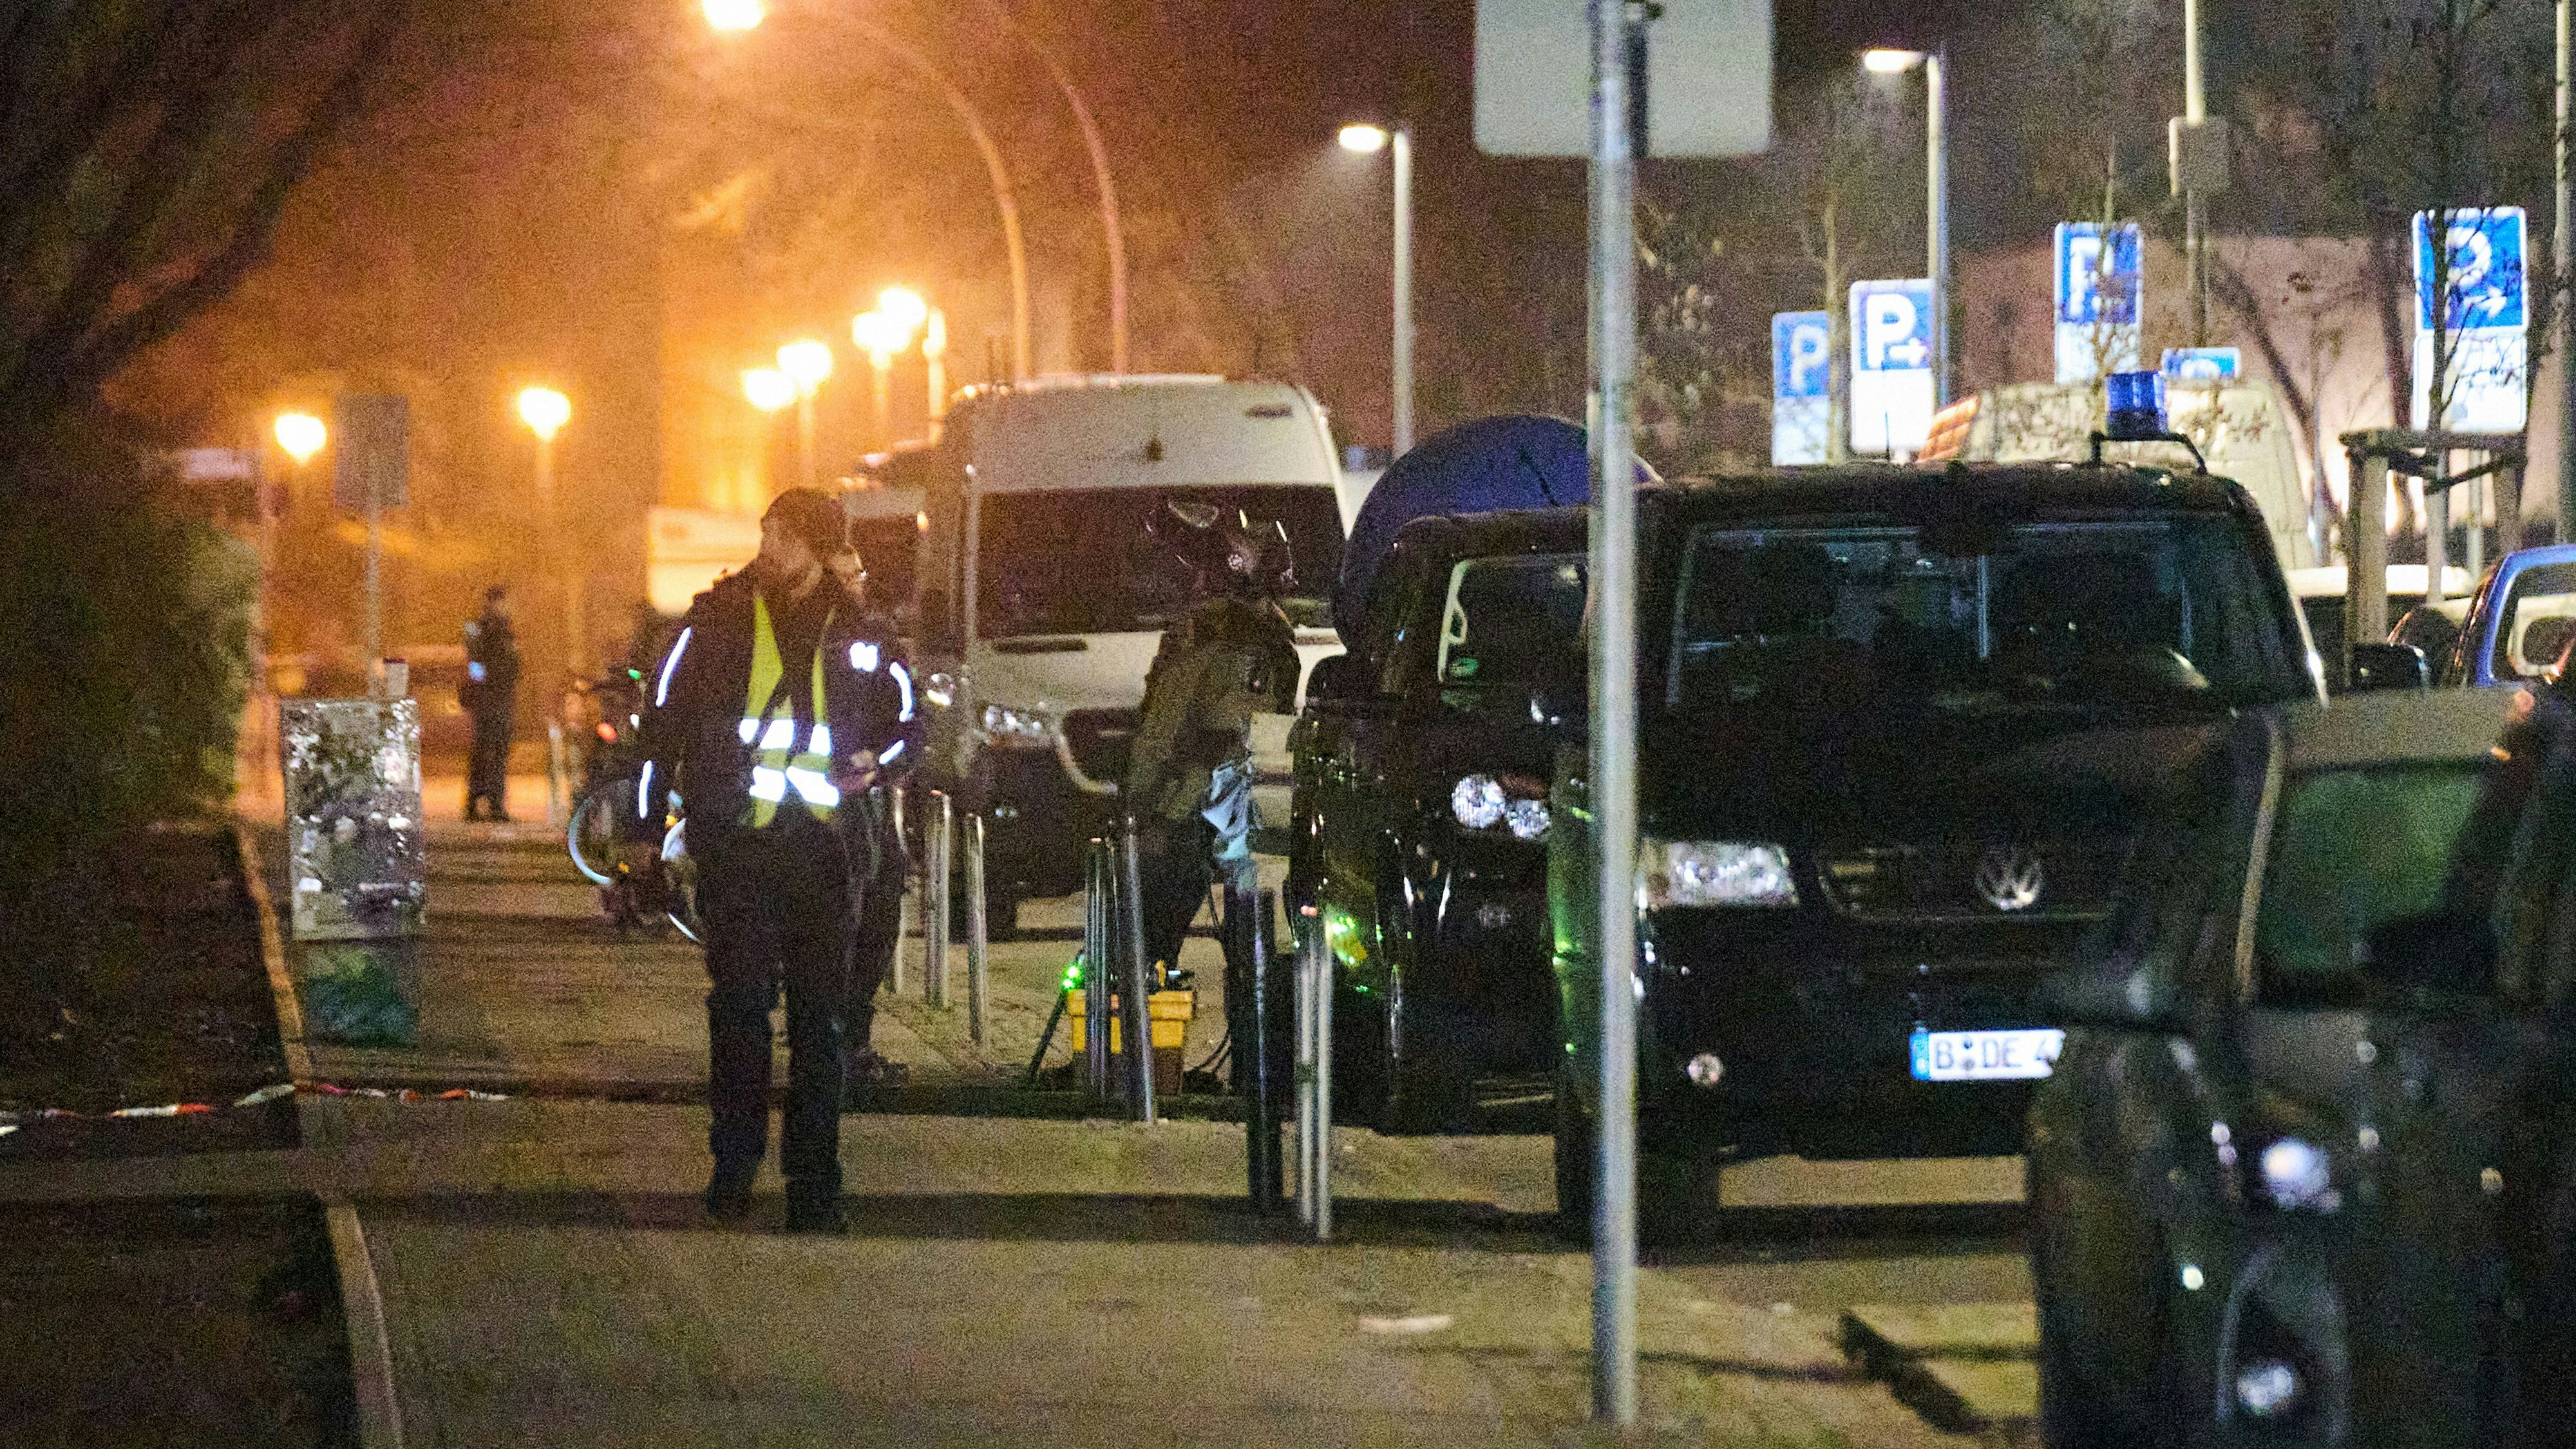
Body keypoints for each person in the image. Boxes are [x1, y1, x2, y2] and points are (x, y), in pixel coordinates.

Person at [625, 488, 919, 1231]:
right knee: (740, 1010)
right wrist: (642, 829)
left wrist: (875, 763)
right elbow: (662, 724)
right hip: (739, 849)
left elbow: (911, 723)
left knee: (822, 1024)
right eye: (765, 530)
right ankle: (734, 1169)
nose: (766, 544)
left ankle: (815, 1187)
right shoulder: (718, 619)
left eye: (780, 535)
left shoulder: (860, 630)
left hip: (825, 852)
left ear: (816, 548)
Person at [1122, 502, 1301, 995]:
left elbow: (1203, 732)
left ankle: (1148, 1039)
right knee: (1226, 930)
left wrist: (1151, 804)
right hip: (1211, 806)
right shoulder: (1245, 629)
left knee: (1158, 934)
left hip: (1200, 802)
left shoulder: (1229, 633)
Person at [826, 540, 917, 1091]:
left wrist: (876, 764)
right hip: (799, 810)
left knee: (880, 912)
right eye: (840, 578)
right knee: (827, 927)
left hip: (865, 803)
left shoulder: (878, 641)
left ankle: (853, 1039)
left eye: (857, 576)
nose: (852, 587)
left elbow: (910, 724)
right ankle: (826, 1041)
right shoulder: (787, 638)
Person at [462, 585, 522, 821]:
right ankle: (485, 804)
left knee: (494, 752)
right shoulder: (486, 630)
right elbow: (476, 665)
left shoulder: (504, 630)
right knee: (489, 752)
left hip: (499, 698)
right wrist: (486, 683)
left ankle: (486, 803)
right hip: (491, 700)